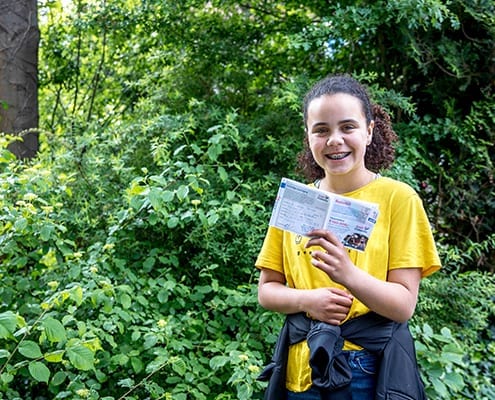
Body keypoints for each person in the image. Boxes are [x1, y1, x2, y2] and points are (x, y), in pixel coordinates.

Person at [255, 74, 441, 400]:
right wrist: (307, 300)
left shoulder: (399, 199)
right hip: (300, 370)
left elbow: (403, 306)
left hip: (368, 372)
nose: (334, 140)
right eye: (321, 130)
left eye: (348, 127)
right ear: (308, 136)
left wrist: (348, 275)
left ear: (369, 131)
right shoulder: (295, 201)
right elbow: (267, 291)